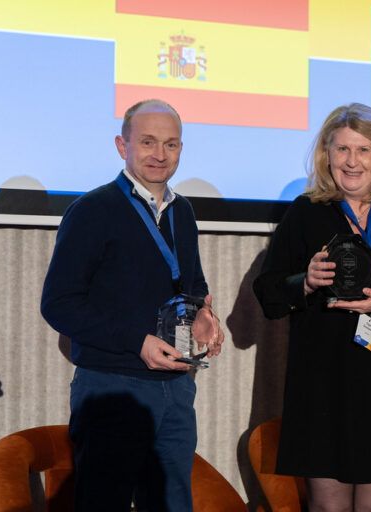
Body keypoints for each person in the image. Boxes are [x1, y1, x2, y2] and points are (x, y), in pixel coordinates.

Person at [253, 103, 371, 511]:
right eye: (341, 150)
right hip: (321, 383)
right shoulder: (306, 213)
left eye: (363, 150)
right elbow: (268, 292)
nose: (352, 161)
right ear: (327, 156)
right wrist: (304, 281)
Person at [41, 99, 223, 511]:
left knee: (172, 502)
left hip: (176, 387)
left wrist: (205, 316)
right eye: (148, 142)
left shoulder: (184, 211)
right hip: (112, 386)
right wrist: (135, 341)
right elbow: (58, 304)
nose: (160, 154)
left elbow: (192, 284)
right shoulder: (93, 210)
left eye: (171, 144)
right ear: (122, 146)